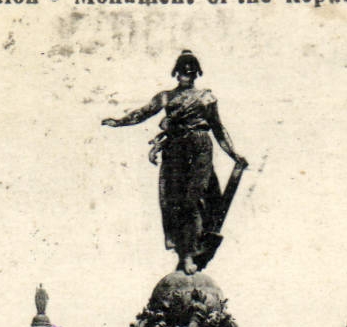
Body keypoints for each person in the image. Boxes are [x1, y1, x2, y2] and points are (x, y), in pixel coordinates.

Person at [102, 50, 249, 274]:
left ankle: (192, 253)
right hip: (174, 152)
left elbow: (218, 129)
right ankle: (185, 253)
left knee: (194, 201)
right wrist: (119, 122)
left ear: (196, 73)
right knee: (175, 204)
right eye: (182, 71)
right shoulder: (166, 97)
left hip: (199, 147)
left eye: (190, 72)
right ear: (176, 73)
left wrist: (233, 153)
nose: (185, 75)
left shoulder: (206, 97)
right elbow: (142, 113)